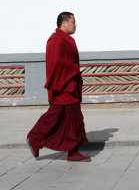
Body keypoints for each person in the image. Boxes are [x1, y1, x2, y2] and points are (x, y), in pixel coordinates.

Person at [26, 12, 91, 162]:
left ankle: (73, 151)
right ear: (64, 23)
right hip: (62, 86)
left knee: (74, 119)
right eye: (73, 22)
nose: (75, 25)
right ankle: (34, 137)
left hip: (70, 85)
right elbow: (55, 64)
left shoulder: (65, 39)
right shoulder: (56, 40)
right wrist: (69, 75)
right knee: (54, 115)